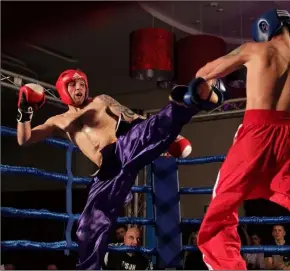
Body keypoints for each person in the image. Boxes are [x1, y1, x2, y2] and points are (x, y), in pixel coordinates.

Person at [186, 8, 290, 270]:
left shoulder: (255, 50)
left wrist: (210, 92)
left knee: (222, 205)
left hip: (257, 133)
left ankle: (228, 267)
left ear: (264, 28)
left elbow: (204, 72)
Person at [16, 69, 224, 269]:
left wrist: (168, 139)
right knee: (87, 231)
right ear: (63, 89)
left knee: (148, 130)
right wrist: (25, 112)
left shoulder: (101, 101)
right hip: (106, 174)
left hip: (121, 149)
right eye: (73, 84)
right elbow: (24, 140)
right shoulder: (58, 121)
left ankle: (191, 99)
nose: (79, 88)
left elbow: (133, 119)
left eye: (82, 84)